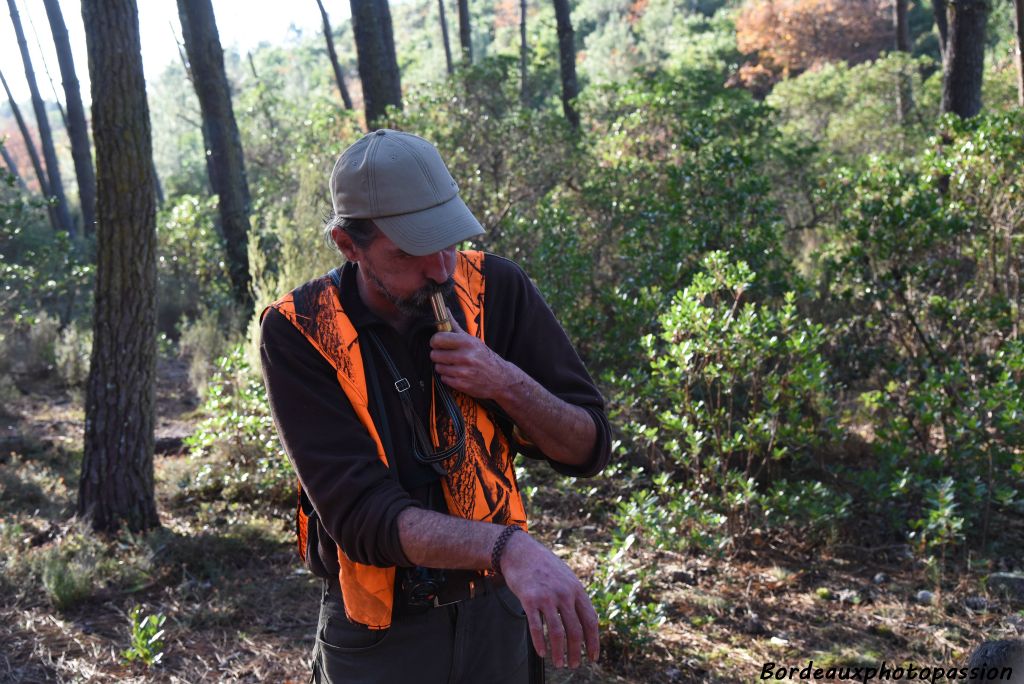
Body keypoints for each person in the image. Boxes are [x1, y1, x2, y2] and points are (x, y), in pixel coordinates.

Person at [259, 128, 612, 684]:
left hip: (498, 614)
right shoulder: (299, 329)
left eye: (447, 240)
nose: (440, 270)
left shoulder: (496, 287)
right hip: (379, 636)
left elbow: (588, 446)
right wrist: (507, 546)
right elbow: (360, 518)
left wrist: (505, 381)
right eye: (408, 252)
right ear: (348, 245)